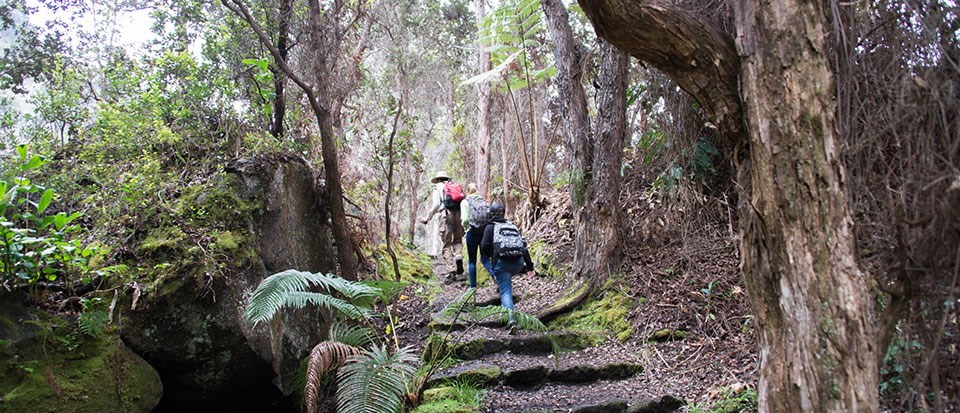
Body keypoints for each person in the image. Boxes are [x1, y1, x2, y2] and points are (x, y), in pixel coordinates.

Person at [480, 202, 534, 333]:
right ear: (503, 213)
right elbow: (523, 247)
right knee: (507, 282)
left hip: (502, 263)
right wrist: (530, 267)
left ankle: (511, 320)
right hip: (519, 263)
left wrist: (492, 256)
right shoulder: (512, 226)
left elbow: (484, 247)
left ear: (491, 214)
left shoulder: (490, 227)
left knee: (505, 292)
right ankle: (507, 314)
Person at [420, 171, 465, 277]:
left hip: (446, 215)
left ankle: (451, 269)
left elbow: (436, 205)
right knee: (458, 240)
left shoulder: (437, 187)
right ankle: (458, 255)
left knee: (447, 243)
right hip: (459, 214)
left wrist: (428, 217)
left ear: (438, 179)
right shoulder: (454, 186)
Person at [460, 183, 493, 289]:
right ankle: (495, 276)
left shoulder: (465, 202)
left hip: (472, 232)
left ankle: (472, 288)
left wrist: (466, 228)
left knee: (472, 260)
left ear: (468, 191)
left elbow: (465, 219)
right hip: (484, 233)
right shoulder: (483, 201)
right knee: (485, 258)